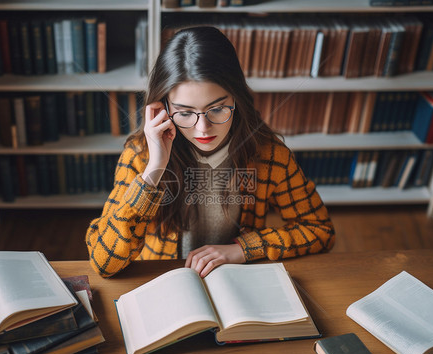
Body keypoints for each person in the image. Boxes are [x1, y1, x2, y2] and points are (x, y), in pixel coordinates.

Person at [86, 26, 335, 278]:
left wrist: (242, 249)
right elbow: (103, 262)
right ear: (163, 109)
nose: (202, 128)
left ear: (236, 99)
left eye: (217, 109)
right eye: (184, 113)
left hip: (236, 278)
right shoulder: (140, 156)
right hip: (167, 283)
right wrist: (155, 168)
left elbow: (320, 230)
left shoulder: (270, 156)